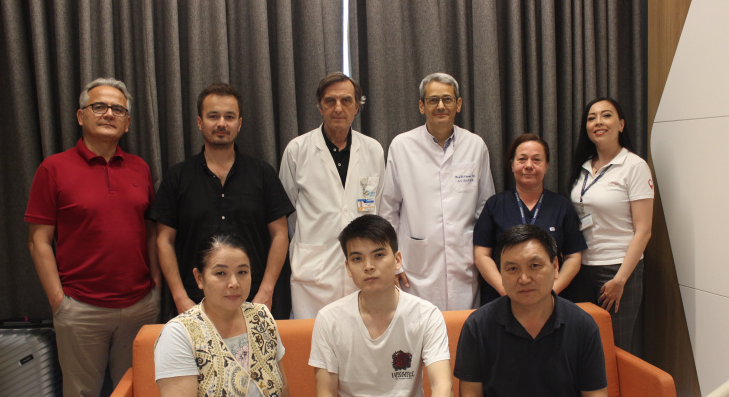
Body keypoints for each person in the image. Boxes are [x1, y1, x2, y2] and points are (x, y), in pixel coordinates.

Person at [25, 77, 161, 397]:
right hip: (80, 310)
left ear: (128, 122)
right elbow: (38, 241)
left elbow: (152, 231)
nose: (108, 114)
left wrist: (154, 285)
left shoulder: (139, 168)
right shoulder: (54, 168)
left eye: (117, 109)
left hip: (139, 307)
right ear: (81, 115)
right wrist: (59, 302)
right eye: (99, 106)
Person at [309, 215, 460, 397]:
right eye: (357, 259)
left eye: (379, 255)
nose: (369, 266)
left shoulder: (426, 315)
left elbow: (442, 385)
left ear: (397, 259)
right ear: (348, 267)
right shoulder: (329, 319)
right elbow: (326, 396)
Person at [455, 224, 610, 397]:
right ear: (500, 273)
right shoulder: (478, 325)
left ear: (556, 266)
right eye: (512, 269)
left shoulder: (582, 325)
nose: (524, 278)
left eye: (535, 266)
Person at [148, 233, 305, 397]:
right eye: (220, 273)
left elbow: (281, 385)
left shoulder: (261, 318)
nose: (234, 283)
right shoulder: (179, 333)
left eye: (242, 272)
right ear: (199, 278)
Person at [150, 82, 294, 317]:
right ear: (199, 122)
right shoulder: (178, 177)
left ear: (239, 123)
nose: (221, 123)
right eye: (213, 116)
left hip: (254, 299)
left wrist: (267, 291)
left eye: (229, 117)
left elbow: (280, 234)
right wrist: (179, 297)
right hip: (194, 303)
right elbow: (164, 240)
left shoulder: (262, 174)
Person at [379, 72, 494, 311]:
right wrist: (392, 263)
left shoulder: (475, 145)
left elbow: (486, 208)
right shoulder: (402, 146)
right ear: (422, 106)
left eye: (447, 99)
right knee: (420, 327)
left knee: (462, 328)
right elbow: (388, 210)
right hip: (415, 269)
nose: (440, 106)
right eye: (433, 100)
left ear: (458, 104)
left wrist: (485, 260)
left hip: (465, 266)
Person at [279, 72, 385, 318]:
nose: (338, 108)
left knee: (360, 335)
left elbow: (378, 207)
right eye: (330, 101)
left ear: (356, 107)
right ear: (320, 106)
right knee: (312, 337)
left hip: (362, 269)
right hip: (313, 272)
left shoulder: (373, 150)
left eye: (346, 101)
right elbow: (288, 214)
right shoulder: (297, 150)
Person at [567, 97, 654, 355]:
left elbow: (644, 230)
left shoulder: (634, 166)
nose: (598, 122)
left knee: (615, 350)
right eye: (591, 118)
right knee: (583, 347)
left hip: (617, 269)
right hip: (582, 268)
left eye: (606, 115)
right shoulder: (583, 167)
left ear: (621, 124)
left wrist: (620, 279)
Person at [474, 134, 586, 305]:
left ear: (547, 166)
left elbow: (573, 257)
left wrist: (550, 292)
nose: (528, 165)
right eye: (522, 159)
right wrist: (506, 290)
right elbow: (482, 254)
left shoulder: (561, 206)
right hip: (502, 298)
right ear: (512, 165)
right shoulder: (495, 205)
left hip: (550, 301)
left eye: (536, 160)